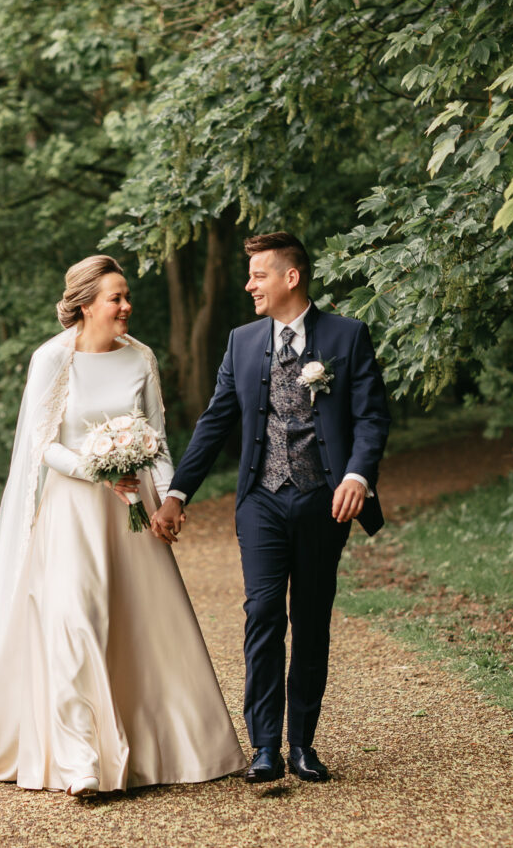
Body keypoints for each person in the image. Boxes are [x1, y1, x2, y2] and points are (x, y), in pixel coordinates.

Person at [0, 255, 245, 797]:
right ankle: (79, 762)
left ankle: (167, 744)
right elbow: (41, 445)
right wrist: (96, 468)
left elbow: (156, 440)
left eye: (126, 295)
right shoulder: (51, 359)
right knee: (76, 621)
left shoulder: (141, 358)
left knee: (144, 626)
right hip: (73, 512)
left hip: (132, 515)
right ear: (86, 304)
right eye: (116, 297)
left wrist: (168, 502)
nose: (126, 306)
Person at [151, 232, 391, 784]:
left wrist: (357, 474)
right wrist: (177, 493)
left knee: (310, 620)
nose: (248, 284)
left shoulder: (347, 336)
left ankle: (302, 744)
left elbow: (372, 416)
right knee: (262, 614)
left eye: (258, 274)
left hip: (322, 503)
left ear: (291, 277)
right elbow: (215, 422)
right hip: (260, 501)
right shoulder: (241, 341)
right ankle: (264, 747)